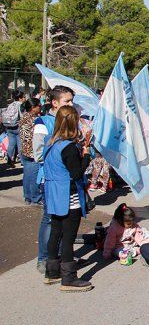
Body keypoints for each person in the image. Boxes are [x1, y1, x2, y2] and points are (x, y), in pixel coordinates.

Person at [42, 105, 93, 292]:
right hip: (68, 195)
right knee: (69, 237)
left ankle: (52, 271)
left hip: (53, 193)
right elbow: (77, 173)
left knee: (56, 233)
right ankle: (69, 277)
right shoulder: (69, 148)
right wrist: (86, 156)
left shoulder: (51, 143)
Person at [33, 85, 73, 274]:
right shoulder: (43, 122)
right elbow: (38, 154)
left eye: (72, 100)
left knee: (64, 221)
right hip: (50, 180)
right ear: (55, 103)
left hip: (67, 181)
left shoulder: (71, 120)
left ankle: (61, 256)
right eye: (67, 101)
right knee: (50, 220)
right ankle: (45, 259)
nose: (71, 104)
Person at [19, 97, 42, 205]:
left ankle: (28, 196)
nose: (40, 107)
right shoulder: (35, 120)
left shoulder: (24, 117)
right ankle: (35, 197)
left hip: (24, 150)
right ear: (33, 108)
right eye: (39, 106)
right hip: (32, 151)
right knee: (34, 175)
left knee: (27, 175)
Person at [3, 90, 26, 167]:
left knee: (11, 144)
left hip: (8, 126)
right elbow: (23, 116)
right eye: (23, 97)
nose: (24, 98)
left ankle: (9, 160)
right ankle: (23, 162)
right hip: (17, 126)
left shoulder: (10, 105)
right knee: (20, 145)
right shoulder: (21, 105)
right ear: (20, 98)